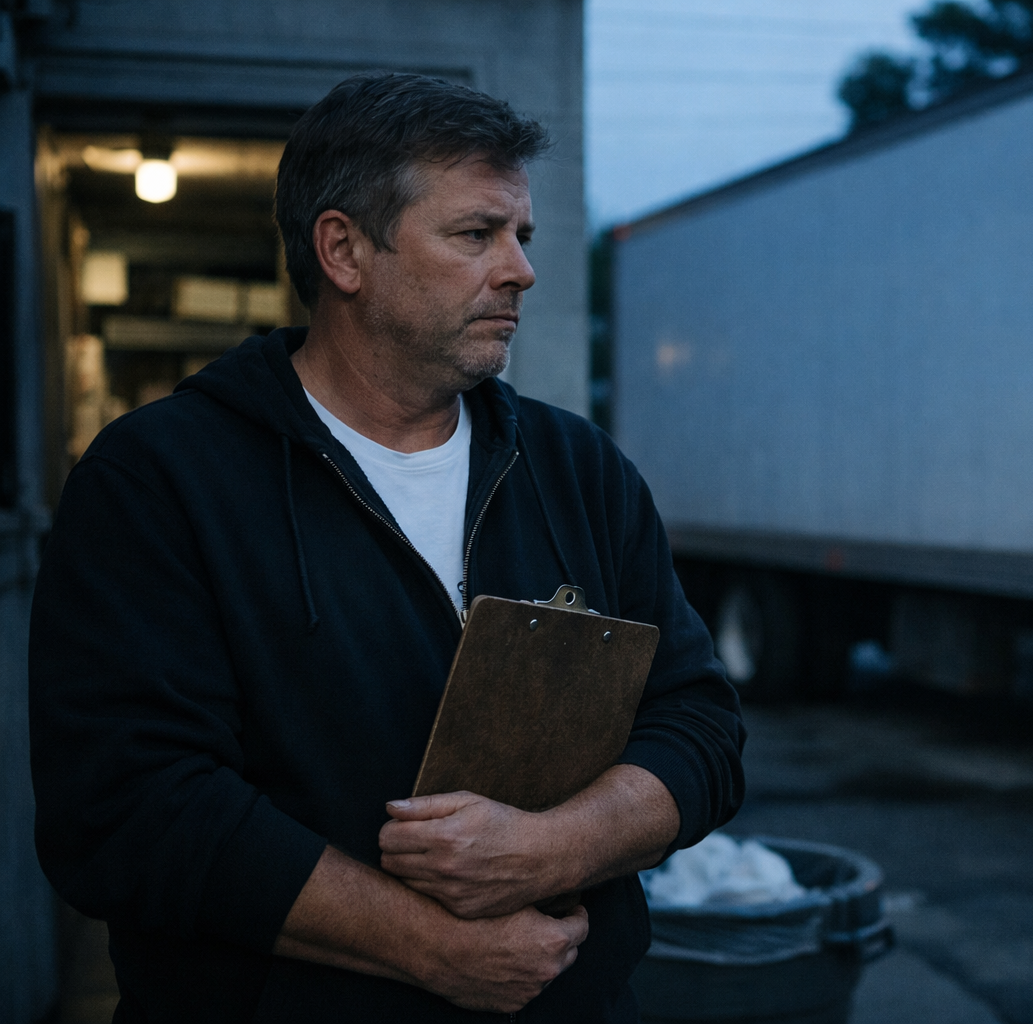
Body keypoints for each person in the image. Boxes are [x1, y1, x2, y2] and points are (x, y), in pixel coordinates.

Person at [29, 73, 745, 1023]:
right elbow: (129, 808)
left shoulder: (576, 467)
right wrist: (432, 951)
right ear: (343, 252)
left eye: (521, 236)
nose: (521, 269)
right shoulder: (160, 479)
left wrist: (556, 847)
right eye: (475, 234)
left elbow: (701, 729)